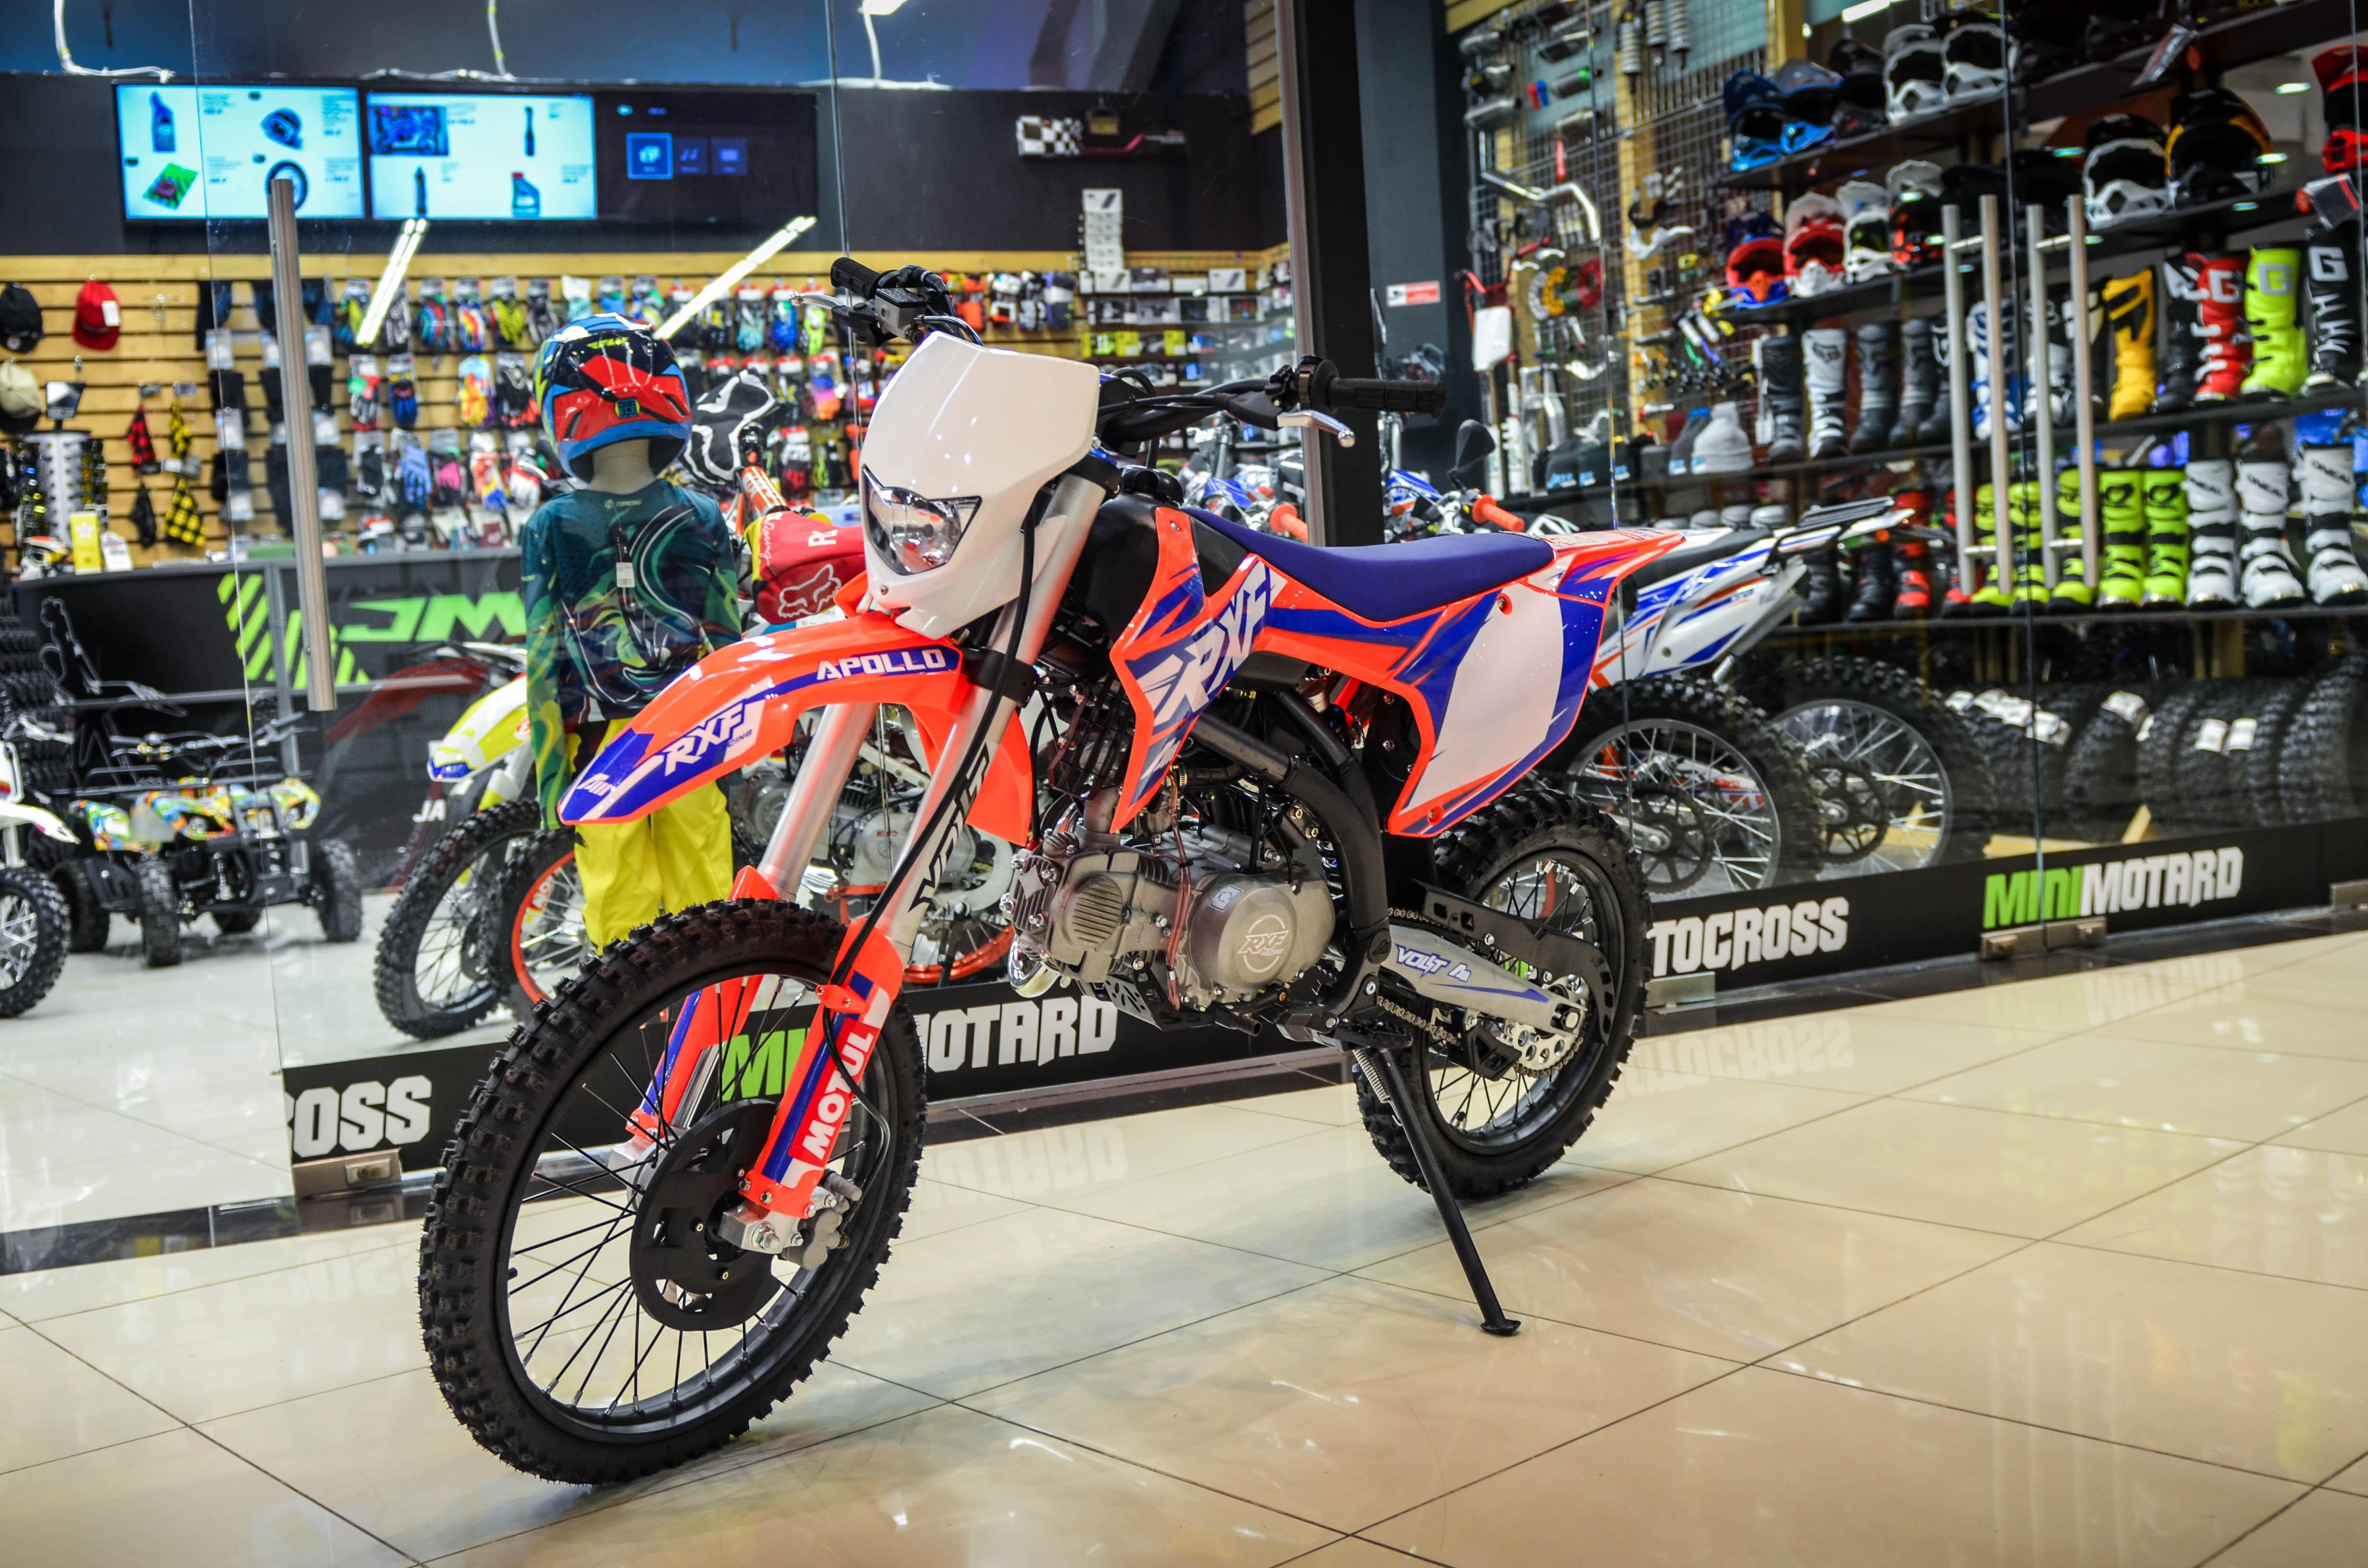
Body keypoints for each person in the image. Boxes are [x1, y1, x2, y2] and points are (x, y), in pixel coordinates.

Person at [520, 315, 741, 949]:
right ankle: (710, 1002)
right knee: (703, 891)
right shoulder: (702, 514)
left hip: (600, 740)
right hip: (692, 728)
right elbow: (730, 643)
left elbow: (543, 655)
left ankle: (642, 1008)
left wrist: (550, 775)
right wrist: (738, 750)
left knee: (619, 902)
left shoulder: (552, 525)